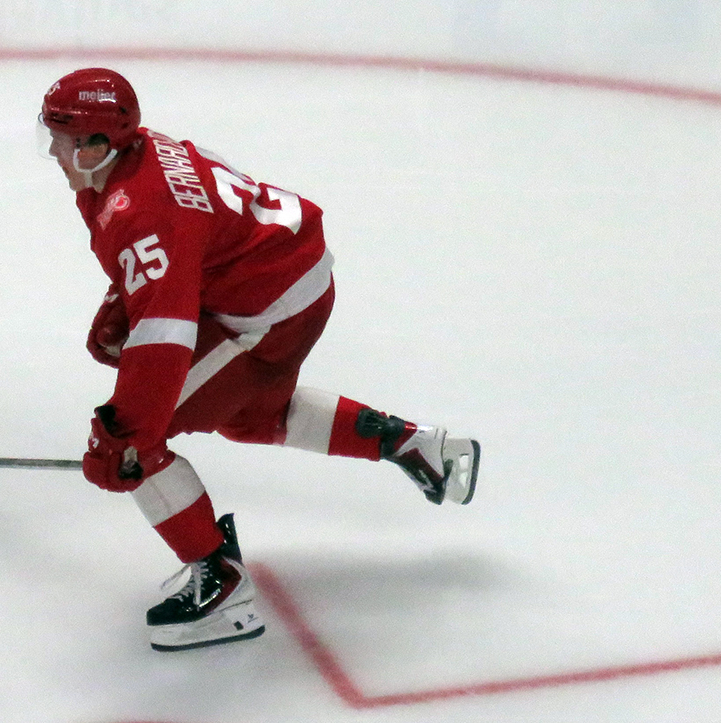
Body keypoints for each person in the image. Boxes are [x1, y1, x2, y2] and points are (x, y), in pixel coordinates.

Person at [38, 67, 480, 652]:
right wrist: (125, 293)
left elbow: (163, 338)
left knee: (137, 442)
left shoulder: (138, 209)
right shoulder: (137, 158)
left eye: (65, 138)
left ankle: (222, 588)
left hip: (269, 308)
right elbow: (193, 242)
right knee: (250, 415)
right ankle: (410, 444)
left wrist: (123, 436)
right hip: (286, 279)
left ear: (100, 144)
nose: (53, 150)